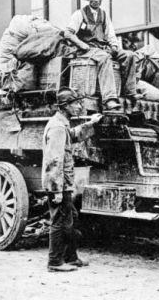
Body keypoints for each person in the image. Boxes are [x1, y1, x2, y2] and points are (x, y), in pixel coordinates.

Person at [42, 87, 103, 272]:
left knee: (71, 219)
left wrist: (91, 123)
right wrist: (56, 191)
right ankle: (55, 262)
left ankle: (70, 257)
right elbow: (54, 161)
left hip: (64, 184)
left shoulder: (62, 124)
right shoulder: (58, 127)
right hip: (59, 186)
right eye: (76, 103)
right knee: (59, 222)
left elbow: (74, 136)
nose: (79, 107)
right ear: (65, 106)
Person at [63, 0, 137, 111]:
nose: (97, 0)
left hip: (102, 48)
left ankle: (129, 93)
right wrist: (82, 44)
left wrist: (114, 46)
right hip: (86, 50)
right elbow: (68, 33)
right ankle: (109, 99)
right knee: (105, 58)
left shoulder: (104, 15)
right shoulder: (79, 14)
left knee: (129, 55)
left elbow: (111, 35)